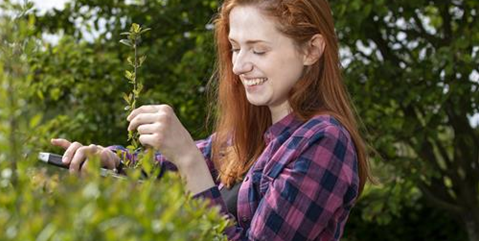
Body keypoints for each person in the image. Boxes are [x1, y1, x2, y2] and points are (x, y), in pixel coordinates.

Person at [50, 0, 371, 240]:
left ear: (311, 50)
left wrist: (189, 159)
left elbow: (191, 167)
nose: (240, 66)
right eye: (235, 49)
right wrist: (108, 159)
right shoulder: (249, 139)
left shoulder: (323, 141)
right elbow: (160, 168)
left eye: (258, 50)